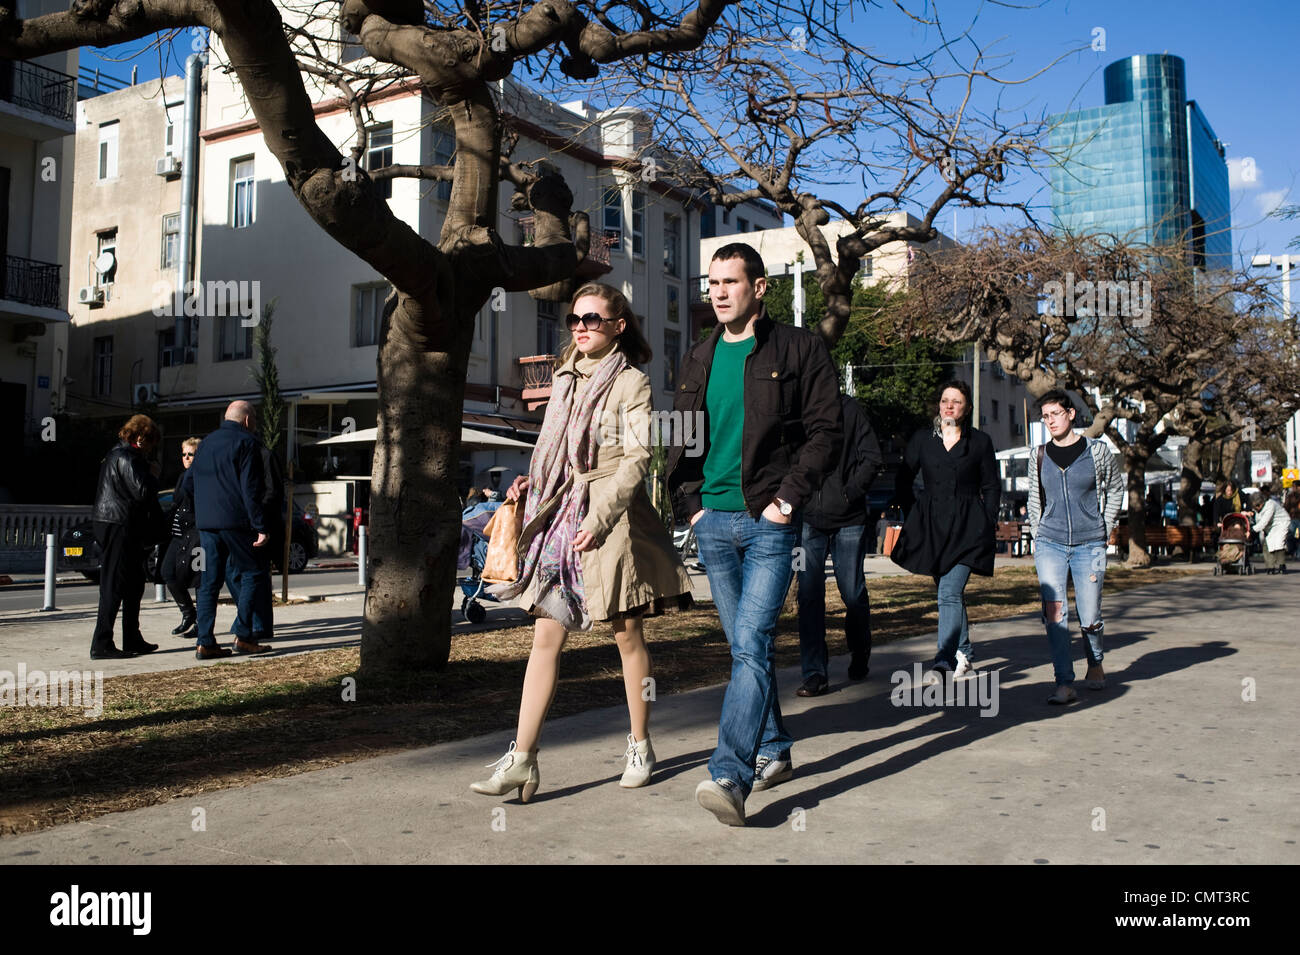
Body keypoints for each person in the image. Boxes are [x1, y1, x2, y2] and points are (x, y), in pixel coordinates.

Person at [472, 283, 692, 802]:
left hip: (609, 519)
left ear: (618, 325)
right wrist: (533, 481)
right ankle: (522, 758)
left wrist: (602, 514)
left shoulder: (632, 382)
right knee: (545, 637)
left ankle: (640, 744)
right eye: (574, 319)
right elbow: (552, 444)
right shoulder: (564, 377)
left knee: (626, 634)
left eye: (592, 319)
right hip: (559, 515)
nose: (580, 327)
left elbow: (637, 459)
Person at [667, 242, 842, 826]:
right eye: (711, 283)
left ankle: (730, 774)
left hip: (768, 521)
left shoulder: (799, 349)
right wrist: (690, 506)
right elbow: (685, 436)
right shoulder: (697, 356)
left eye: (730, 282)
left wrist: (786, 501)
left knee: (749, 645)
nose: (717, 292)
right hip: (712, 523)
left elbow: (825, 431)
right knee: (749, 649)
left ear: (759, 287)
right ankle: (775, 747)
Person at [891, 379, 999, 680]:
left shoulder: (980, 442)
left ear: (966, 409)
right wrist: (914, 512)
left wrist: (986, 521)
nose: (949, 406)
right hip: (933, 528)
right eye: (944, 400)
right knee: (947, 592)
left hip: (968, 528)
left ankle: (945, 657)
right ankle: (964, 651)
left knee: (950, 592)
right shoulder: (923, 439)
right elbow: (903, 478)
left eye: (956, 401)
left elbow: (991, 486)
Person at [1025, 390, 1124, 705]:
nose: (1050, 420)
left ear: (1070, 414)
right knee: (1054, 612)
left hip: (1090, 544)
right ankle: (1063, 683)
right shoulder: (1038, 455)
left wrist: (1105, 526)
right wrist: (1038, 532)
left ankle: (1094, 662)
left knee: (1090, 613)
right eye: (1045, 416)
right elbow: (1034, 497)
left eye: (1055, 413)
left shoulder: (1096, 452)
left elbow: (1116, 487)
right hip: (1050, 543)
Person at [795, 393, 882, 694]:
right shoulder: (797, 408)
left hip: (849, 519)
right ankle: (814, 673)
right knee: (807, 594)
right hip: (807, 520)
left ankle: (860, 652)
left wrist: (850, 492)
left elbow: (872, 456)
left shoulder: (850, 409)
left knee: (853, 592)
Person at [191, 400, 272, 661]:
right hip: (235, 520)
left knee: (209, 582)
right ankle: (245, 634)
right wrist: (260, 525)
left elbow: (191, 482)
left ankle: (205, 642)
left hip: (207, 522)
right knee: (253, 572)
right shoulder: (247, 442)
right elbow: (250, 489)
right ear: (247, 420)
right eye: (255, 420)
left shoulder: (204, 445)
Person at [89, 414, 164, 659]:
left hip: (118, 523)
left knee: (133, 584)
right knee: (114, 584)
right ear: (141, 437)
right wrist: (153, 474)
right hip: (118, 523)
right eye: (151, 441)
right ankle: (102, 643)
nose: (152, 447)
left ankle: (132, 637)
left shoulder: (117, 455)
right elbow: (142, 491)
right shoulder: (126, 457)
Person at [161, 437, 202, 637]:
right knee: (167, 572)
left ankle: (201, 623)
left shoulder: (201, 477)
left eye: (190, 454)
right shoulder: (183, 476)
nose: (186, 458)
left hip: (196, 535)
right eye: (184, 454)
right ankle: (188, 613)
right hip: (178, 535)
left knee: (199, 579)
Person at [1248, 485, 1290, 574]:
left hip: (1280, 523)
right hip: (1269, 526)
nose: (1256, 508)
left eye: (1257, 506)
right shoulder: (1257, 509)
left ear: (1262, 503)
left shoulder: (1270, 505)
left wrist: (1252, 530)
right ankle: (1270, 567)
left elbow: (1264, 521)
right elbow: (1259, 520)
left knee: (1279, 544)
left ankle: (1281, 565)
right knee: (1266, 545)